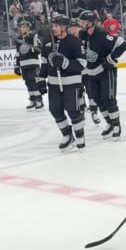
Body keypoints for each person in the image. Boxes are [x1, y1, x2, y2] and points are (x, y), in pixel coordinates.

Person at [38, 14, 86, 151]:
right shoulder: (48, 41)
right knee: (55, 110)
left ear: (64, 27)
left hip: (72, 84)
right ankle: (67, 135)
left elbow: (82, 64)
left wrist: (64, 63)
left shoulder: (75, 42)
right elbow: (44, 63)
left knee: (73, 111)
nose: (53, 28)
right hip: (53, 85)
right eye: (53, 26)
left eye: (56, 26)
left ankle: (80, 136)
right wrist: (41, 79)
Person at [79, 10, 126, 140]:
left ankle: (117, 125)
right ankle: (110, 123)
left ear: (90, 23)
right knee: (97, 99)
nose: (81, 24)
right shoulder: (82, 35)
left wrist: (110, 59)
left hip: (106, 72)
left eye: (83, 22)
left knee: (109, 99)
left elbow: (123, 44)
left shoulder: (101, 34)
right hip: (92, 73)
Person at [70, 16, 99, 125]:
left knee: (91, 92)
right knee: (79, 93)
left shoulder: (86, 37)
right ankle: (81, 112)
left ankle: (94, 112)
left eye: (76, 28)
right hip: (76, 72)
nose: (73, 30)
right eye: (72, 28)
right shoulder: (68, 40)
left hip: (87, 71)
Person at [13, 17, 43, 110]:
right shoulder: (19, 39)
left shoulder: (33, 36)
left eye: (24, 27)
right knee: (28, 82)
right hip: (23, 64)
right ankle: (32, 99)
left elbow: (39, 50)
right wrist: (17, 65)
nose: (22, 29)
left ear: (28, 28)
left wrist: (31, 46)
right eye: (21, 27)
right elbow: (18, 53)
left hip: (33, 63)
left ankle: (39, 100)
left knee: (33, 81)